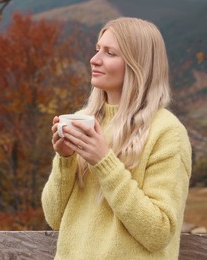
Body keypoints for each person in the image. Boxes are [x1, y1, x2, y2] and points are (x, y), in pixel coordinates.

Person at [41, 17, 192, 259]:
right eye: (97, 50)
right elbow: (54, 216)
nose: (94, 60)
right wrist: (65, 159)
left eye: (110, 53)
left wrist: (104, 161)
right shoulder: (84, 121)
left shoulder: (167, 132)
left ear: (137, 64)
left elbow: (158, 231)